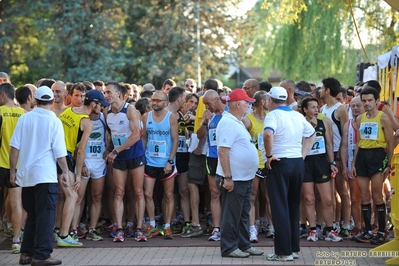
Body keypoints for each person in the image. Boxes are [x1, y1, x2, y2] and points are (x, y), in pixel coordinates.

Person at [9, 86, 69, 266]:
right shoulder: (54, 121)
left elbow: (14, 148)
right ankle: (42, 255)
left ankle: (26, 253)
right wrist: (65, 171)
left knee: (33, 216)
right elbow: (59, 152)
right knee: (45, 216)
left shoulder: (25, 118)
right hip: (45, 176)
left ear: (35, 100)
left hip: (26, 176)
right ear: (52, 101)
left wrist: (13, 172)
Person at [263, 87, 315, 261]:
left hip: (280, 162)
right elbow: (312, 133)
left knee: (279, 207)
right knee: (293, 205)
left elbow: (268, 134)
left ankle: (283, 251)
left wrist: (269, 156)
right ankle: (293, 249)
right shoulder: (297, 115)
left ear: (271, 100)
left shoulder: (272, 115)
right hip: (296, 162)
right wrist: (302, 154)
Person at [216, 89, 263, 258]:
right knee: (232, 213)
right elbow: (223, 151)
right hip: (234, 178)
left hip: (244, 177)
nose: (249, 105)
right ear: (238, 104)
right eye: (247, 103)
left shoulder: (236, 121)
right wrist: (228, 177)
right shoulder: (228, 122)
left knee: (243, 214)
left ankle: (243, 244)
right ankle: (229, 247)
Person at [104, 81, 147, 242]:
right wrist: (109, 148)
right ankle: (119, 228)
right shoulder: (106, 111)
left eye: (109, 92)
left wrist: (116, 150)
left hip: (134, 155)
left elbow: (136, 135)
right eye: (105, 93)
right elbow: (111, 133)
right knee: (119, 192)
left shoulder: (130, 110)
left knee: (137, 192)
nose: (106, 95)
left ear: (119, 94)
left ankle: (138, 229)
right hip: (119, 157)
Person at [352, 87, 393, 245]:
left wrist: (388, 164)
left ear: (377, 101)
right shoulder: (360, 119)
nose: (367, 103)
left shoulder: (384, 118)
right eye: (364, 101)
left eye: (370, 100)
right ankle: (368, 230)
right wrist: (354, 163)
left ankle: (382, 231)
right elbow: (358, 143)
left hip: (377, 156)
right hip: (362, 156)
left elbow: (389, 144)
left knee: (377, 195)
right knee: (364, 196)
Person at [56, 83, 94, 247]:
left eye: (83, 96)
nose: (80, 99)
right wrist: (78, 174)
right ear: (69, 96)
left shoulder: (64, 112)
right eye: (77, 95)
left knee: (61, 196)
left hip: (57, 156)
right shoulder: (85, 121)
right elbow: (81, 151)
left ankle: (57, 230)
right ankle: (64, 236)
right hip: (63, 156)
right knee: (72, 196)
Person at [301, 97, 342, 242]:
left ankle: (330, 229)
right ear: (305, 110)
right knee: (309, 199)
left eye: (317, 107)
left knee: (327, 199)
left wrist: (332, 162)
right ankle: (312, 230)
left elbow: (329, 144)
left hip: (321, 162)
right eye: (312, 107)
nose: (316, 110)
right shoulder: (300, 122)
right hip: (306, 163)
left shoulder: (325, 121)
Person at [72, 90, 110, 242]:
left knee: (97, 196)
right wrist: (80, 164)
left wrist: (108, 149)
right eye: (100, 105)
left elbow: (111, 134)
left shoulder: (103, 117)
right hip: (84, 161)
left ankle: (92, 229)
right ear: (94, 104)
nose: (102, 108)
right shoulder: (82, 118)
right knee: (78, 197)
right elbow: (74, 144)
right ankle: (73, 229)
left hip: (99, 162)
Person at [142, 91, 179, 239]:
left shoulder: (171, 118)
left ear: (165, 102)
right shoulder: (146, 117)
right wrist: (143, 157)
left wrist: (170, 161)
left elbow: (175, 140)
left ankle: (167, 226)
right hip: (150, 161)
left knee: (169, 195)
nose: (155, 103)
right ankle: (151, 224)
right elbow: (144, 137)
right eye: (153, 100)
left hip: (166, 163)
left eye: (158, 100)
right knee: (147, 194)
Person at [0, 82, 25, 254]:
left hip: (1, 163)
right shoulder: (24, 114)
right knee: (17, 202)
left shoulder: (0, 112)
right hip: (18, 165)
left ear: (3, 96)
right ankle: (16, 239)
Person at [340, 96, 364, 239]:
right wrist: (344, 166)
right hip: (350, 164)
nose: (355, 108)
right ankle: (358, 226)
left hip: (367, 164)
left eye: (358, 105)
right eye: (352, 106)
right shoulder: (347, 124)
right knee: (354, 197)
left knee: (369, 196)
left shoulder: (369, 122)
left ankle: (371, 226)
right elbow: (343, 146)